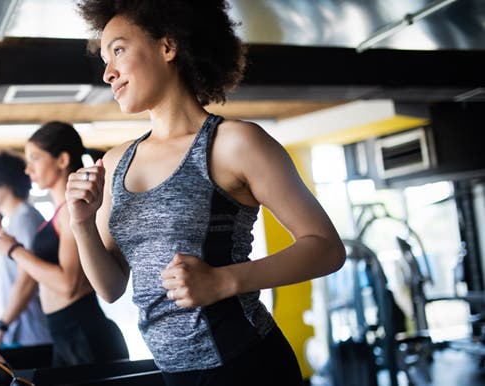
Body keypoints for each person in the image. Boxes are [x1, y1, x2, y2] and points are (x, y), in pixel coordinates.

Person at [65, 1, 347, 385]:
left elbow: (327, 247)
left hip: (247, 365)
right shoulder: (116, 162)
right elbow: (111, 287)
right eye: (104, 58)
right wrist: (81, 222)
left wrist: (224, 281)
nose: (108, 72)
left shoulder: (233, 143)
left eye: (118, 50)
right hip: (175, 374)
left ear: (168, 46)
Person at [0, 121, 129, 367]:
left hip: (82, 334)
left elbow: (68, 285)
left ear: (62, 160)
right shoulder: (58, 214)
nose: (27, 169)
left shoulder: (71, 213)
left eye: (35, 158)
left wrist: (14, 250)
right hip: (65, 333)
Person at [0, 151, 52, 349]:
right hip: (16, 332)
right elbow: (8, 283)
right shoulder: (13, 223)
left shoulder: (25, 219)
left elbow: (27, 279)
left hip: (31, 336)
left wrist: (0, 326)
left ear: (3, 183)